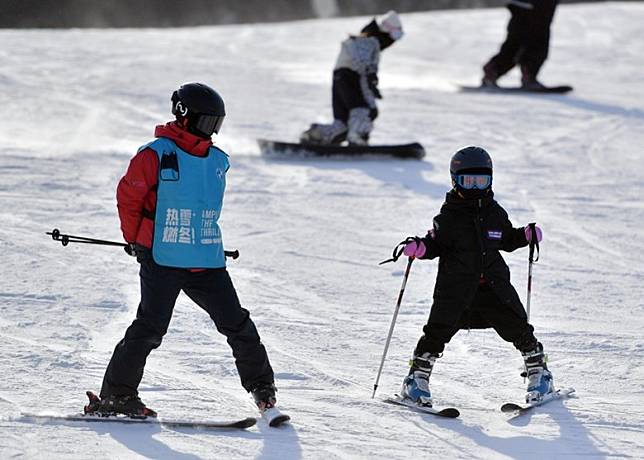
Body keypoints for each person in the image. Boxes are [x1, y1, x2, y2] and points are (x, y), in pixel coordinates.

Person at [85, 83, 277, 417]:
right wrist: (136, 241)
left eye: (216, 125)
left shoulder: (217, 161)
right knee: (150, 327)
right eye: (206, 123)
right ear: (184, 117)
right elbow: (129, 200)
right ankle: (117, 395)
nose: (211, 132)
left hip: (205, 258)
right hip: (162, 258)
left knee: (237, 323)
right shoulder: (155, 154)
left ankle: (262, 387)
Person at [399, 146, 554, 406]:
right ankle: (416, 378)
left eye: (481, 180)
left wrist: (524, 236)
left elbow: (506, 238)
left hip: (493, 288)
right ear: (455, 180)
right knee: (437, 331)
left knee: (518, 326)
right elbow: (435, 243)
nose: (474, 187)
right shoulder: (448, 216)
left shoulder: (495, 212)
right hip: (456, 289)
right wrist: (421, 248)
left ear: (490, 179)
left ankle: (539, 373)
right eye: (468, 181)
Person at [300, 10, 403, 146]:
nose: (394, 40)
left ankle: (316, 135)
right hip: (352, 77)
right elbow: (362, 62)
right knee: (365, 109)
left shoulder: (362, 39)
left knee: (343, 121)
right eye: (396, 34)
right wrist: (371, 78)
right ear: (385, 31)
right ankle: (357, 137)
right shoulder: (369, 41)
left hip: (340, 77)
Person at [482, 0, 559, 89]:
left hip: (521, 4)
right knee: (537, 40)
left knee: (516, 40)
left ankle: (493, 70)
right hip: (538, 5)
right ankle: (528, 75)